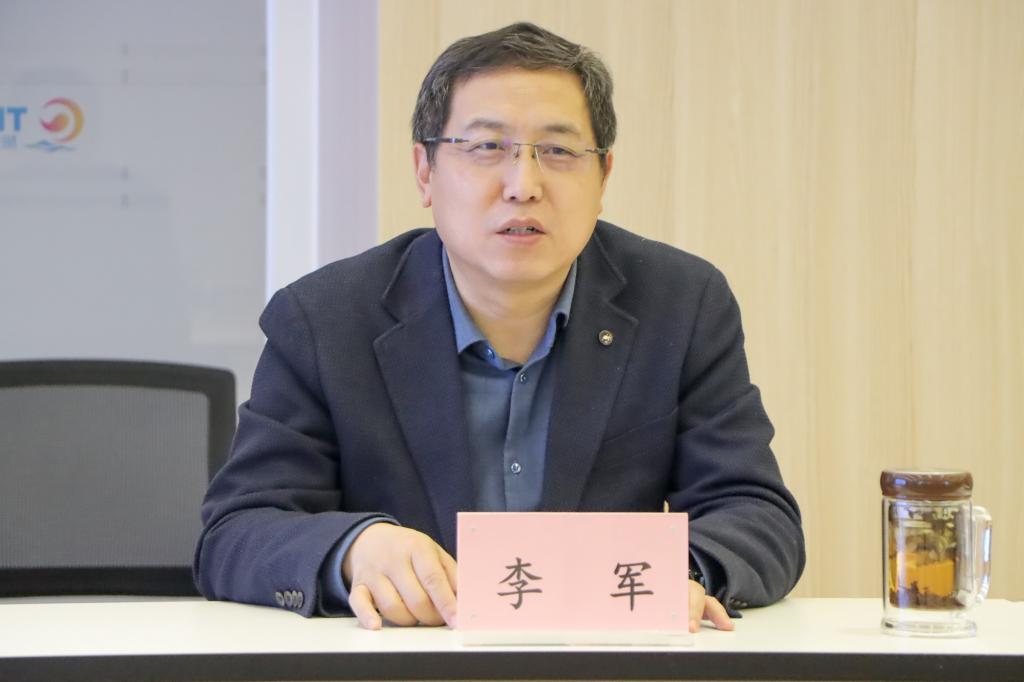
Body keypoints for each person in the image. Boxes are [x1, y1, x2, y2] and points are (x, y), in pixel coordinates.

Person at [194, 22, 805, 633]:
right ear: (425, 171)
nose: (523, 186)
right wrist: (353, 549)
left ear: (603, 177)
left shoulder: (680, 303)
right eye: (487, 147)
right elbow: (235, 532)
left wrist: (680, 574)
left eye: (558, 151)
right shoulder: (325, 318)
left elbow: (756, 512)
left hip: (603, 664)